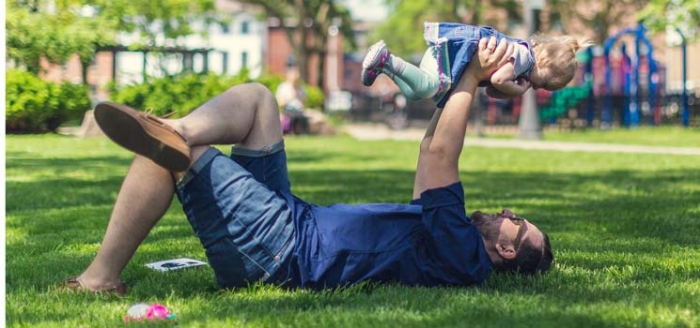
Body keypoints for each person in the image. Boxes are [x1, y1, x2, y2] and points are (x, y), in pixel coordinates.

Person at [62, 36, 552, 296]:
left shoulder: (462, 256)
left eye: (517, 220)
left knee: (174, 158)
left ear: (508, 249)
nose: (507, 213)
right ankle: (180, 129)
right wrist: (474, 83)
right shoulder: (445, 236)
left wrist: (472, 74)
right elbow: (431, 151)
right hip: (291, 220)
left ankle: (101, 277)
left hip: (281, 252)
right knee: (258, 101)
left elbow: (445, 154)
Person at [361, 22, 591, 108]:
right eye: (543, 83)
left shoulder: (521, 65)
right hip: (451, 55)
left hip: (445, 55)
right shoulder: (524, 58)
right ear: (543, 61)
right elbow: (499, 80)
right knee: (427, 88)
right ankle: (387, 58)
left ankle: (384, 67)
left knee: (413, 94)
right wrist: (517, 90)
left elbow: (492, 89)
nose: (537, 87)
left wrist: (508, 92)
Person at [275, 67, 309, 135]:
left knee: (303, 118)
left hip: (299, 110)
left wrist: (299, 96)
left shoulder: (301, 88)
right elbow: (279, 103)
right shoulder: (283, 87)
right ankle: (290, 132)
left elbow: (305, 103)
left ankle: (302, 133)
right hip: (288, 110)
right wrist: (291, 97)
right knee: (293, 117)